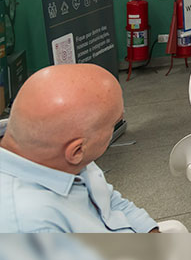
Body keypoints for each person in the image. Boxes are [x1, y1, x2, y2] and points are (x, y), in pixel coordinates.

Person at [0, 63, 160, 233]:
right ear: (76, 152)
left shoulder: (55, 148)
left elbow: (109, 202)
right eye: (113, 124)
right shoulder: (32, 225)